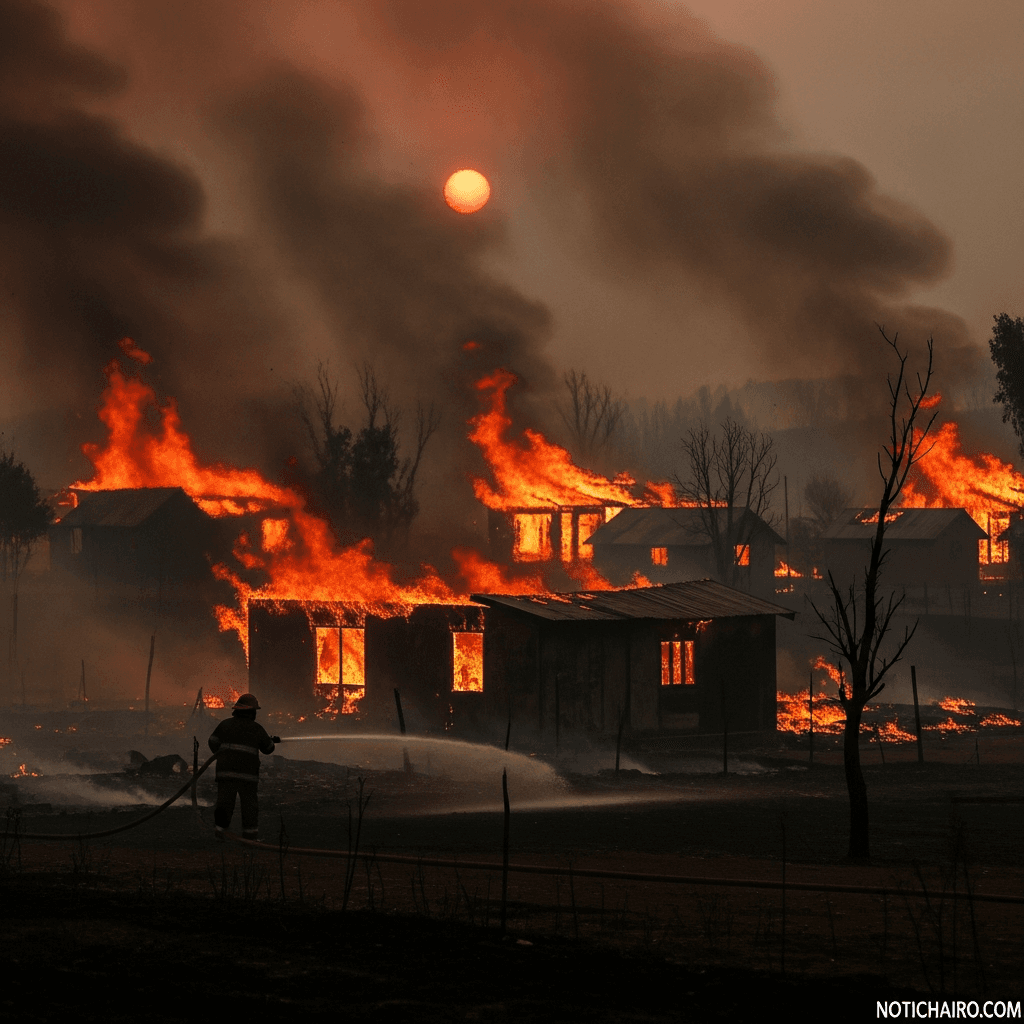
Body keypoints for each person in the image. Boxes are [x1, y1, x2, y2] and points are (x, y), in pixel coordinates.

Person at [208, 693, 279, 841]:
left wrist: (222, 754)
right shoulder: (257, 729)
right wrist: (271, 741)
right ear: (252, 712)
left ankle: (219, 833)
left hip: (225, 773)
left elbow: (212, 742)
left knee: (224, 804)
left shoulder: (225, 724)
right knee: (249, 806)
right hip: (248, 776)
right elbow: (268, 749)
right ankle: (250, 837)